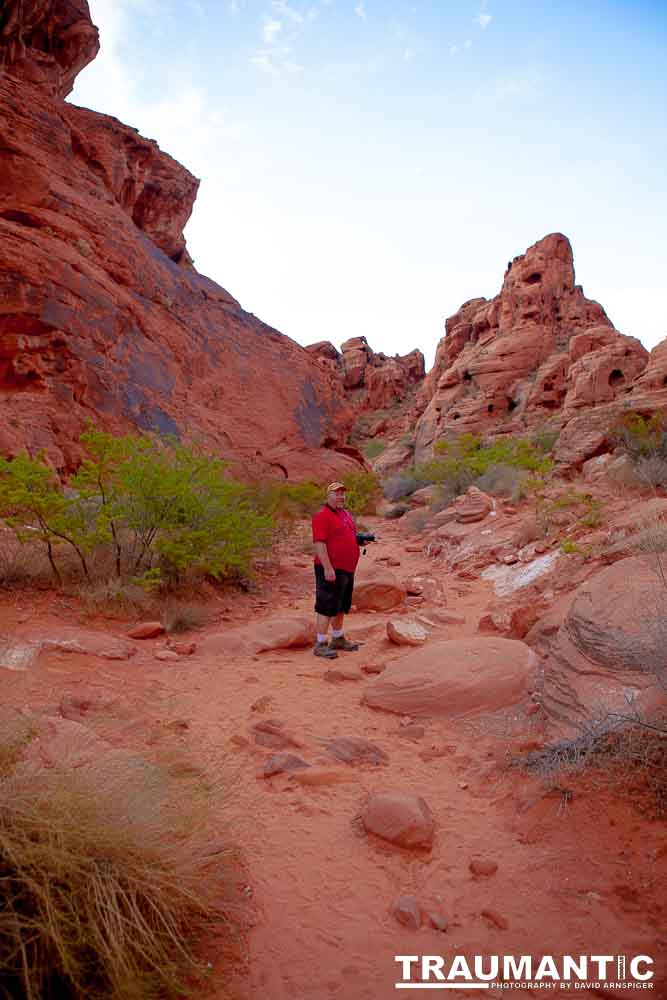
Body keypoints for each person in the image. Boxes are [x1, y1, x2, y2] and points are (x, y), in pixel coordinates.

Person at [311, 482, 361, 659]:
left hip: (347, 568)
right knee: (326, 606)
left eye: (342, 494)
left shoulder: (345, 514)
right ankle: (321, 643)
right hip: (330, 569)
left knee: (341, 605)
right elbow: (319, 543)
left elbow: (345, 537)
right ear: (328, 496)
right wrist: (327, 567)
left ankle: (338, 639)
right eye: (336, 494)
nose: (341, 497)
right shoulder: (322, 516)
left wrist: (359, 541)